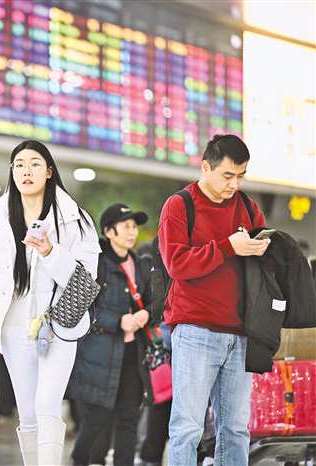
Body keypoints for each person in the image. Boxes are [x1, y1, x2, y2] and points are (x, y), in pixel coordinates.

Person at [0, 140, 100, 465]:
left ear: (49, 171)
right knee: (28, 410)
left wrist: (50, 252)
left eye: (35, 163)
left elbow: (86, 277)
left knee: (47, 403)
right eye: (19, 164)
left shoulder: (74, 219)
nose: (26, 171)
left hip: (58, 321)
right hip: (13, 322)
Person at [159, 134, 268, 466]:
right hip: (195, 331)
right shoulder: (179, 205)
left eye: (241, 176)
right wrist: (228, 246)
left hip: (241, 334)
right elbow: (177, 264)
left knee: (236, 430)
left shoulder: (248, 207)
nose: (234, 184)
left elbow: (264, 268)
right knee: (187, 428)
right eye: (227, 175)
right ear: (205, 167)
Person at [68, 204, 152, 466]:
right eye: (125, 226)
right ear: (108, 231)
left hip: (133, 355)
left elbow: (154, 302)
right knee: (97, 420)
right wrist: (118, 321)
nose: (132, 232)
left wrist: (147, 313)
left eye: (134, 226)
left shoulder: (140, 264)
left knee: (129, 420)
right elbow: (79, 308)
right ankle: (81, 461)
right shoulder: (95, 264)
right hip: (99, 356)